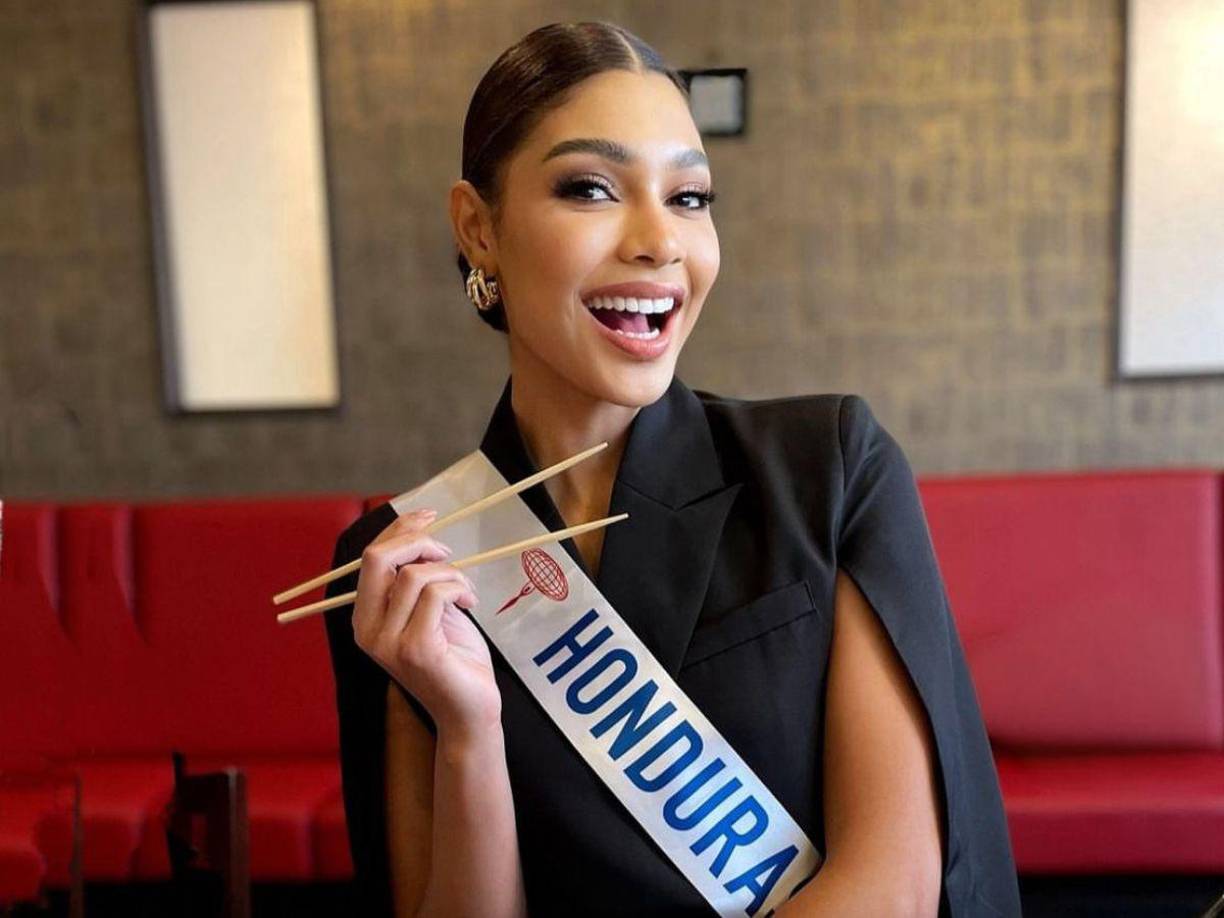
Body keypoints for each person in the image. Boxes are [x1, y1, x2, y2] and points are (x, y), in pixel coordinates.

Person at [324, 21, 1021, 918]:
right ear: (478, 228)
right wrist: (468, 729)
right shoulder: (411, 564)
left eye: (690, 197)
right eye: (591, 188)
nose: (661, 241)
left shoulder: (827, 470)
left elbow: (894, 887)